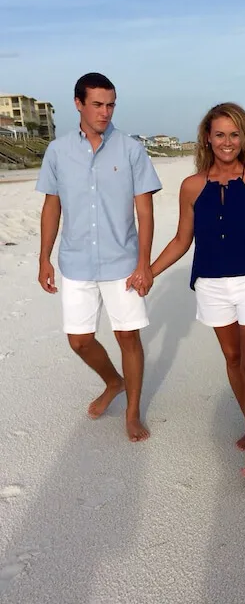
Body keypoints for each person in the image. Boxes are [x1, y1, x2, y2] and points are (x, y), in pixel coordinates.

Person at [149, 102, 245, 480]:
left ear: (244, 138)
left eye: (234, 134)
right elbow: (182, 239)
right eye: (219, 135)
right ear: (207, 139)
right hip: (211, 283)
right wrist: (149, 271)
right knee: (231, 358)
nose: (227, 142)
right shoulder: (192, 187)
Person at [36, 73, 162, 442]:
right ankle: (113, 382)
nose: (105, 112)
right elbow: (51, 206)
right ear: (78, 103)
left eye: (110, 105)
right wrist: (44, 258)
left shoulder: (130, 149)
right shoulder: (58, 152)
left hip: (122, 261)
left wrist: (144, 263)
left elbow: (146, 212)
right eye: (97, 104)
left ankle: (133, 412)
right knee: (79, 340)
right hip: (75, 261)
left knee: (128, 338)